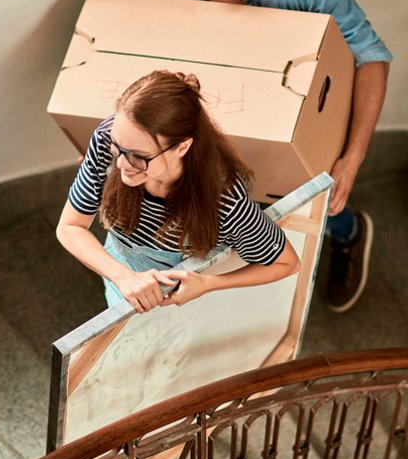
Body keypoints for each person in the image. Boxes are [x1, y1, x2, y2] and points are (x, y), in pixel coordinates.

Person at [121, 0, 392, 313]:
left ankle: (348, 232)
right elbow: (120, 24)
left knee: (314, 204)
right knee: (237, 212)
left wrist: (352, 158)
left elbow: (371, 56)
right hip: (212, 118)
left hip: (295, 125)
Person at [57, 70, 299, 313]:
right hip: (121, 274)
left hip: (185, 297)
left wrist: (207, 284)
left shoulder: (224, 199)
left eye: (138, 157)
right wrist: (123, 276)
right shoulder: (107, 138)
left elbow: (286, 262)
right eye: (116, 147)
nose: (120, 165)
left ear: (182, 147)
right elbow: (70, 226)